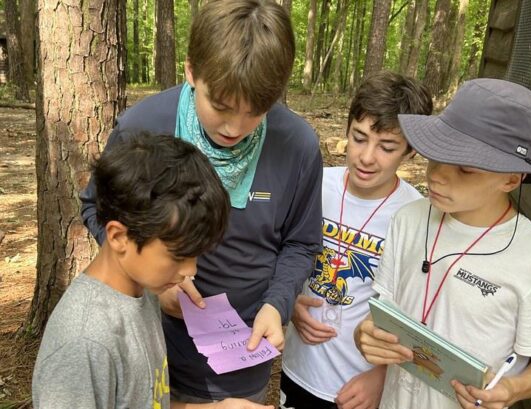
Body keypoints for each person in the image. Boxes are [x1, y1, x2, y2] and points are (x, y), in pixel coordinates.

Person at [79, 0, 323, 405]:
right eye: (221, 107)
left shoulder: (297, 145)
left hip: (243, 351)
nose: (234, 127)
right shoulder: (144, 127)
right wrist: (150, 283)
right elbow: (96, 209)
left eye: (255, 112)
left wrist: (275, 307)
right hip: (151, 342)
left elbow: (300, 243)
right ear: (192, 70)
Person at [354, 78, 531, 409]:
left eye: (465, 169)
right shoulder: (409, 218)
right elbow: (385, 309)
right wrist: (366, 334)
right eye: (436, 155)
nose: (438, 175)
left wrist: (512, 390)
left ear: (511, 179)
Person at [33, 133, 231, 408]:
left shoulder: (141, 291)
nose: (190, 270)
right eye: (178, 255)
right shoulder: (84, 344)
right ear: (118, 237)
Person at [280, 71, 433, 409]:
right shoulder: (315, 184)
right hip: (299, 367)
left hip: (359, 385)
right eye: (359, 137)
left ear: (411, 152)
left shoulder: (417, 216)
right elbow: (281, 252)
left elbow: (420, 311)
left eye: (387, 147)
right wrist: (287, 301)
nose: (366, 156)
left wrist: (381, 376)